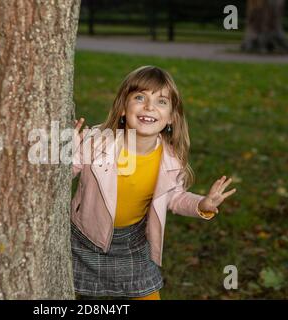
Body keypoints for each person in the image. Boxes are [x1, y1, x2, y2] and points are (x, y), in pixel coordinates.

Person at [71, 65, 237, 300]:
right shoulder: (97, 143)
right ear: (122, 109)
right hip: (86, 237)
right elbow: (64, 173)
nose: (149, 107)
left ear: (171, 117)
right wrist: (71, 150)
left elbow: (175, 197)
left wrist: (203, 204)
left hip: (132, 242)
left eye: (161, 101)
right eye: (140, 97)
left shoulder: (170, 159)